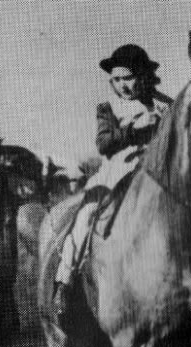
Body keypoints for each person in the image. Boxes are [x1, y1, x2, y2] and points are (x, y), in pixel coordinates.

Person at [54, 44, 172, 317]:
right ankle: (65, 282)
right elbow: (104, 143)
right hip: (117, 173)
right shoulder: (109, 107)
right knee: (85, 217)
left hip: (157, 174)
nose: (122, 85)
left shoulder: (166, 104)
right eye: (117, 80)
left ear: (142, 76)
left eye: (128, 78)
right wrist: (132, 131)